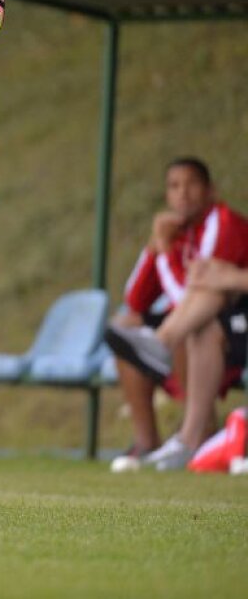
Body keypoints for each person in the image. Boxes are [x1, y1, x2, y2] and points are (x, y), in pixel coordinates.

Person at [105, 157, 248, 471]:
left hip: (233, 321)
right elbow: (136, 299)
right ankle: (147, 441)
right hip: (210, 319)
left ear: (210, 190)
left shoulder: (222, 223)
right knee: (125, 325)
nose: (183, 193)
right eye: (174, 186)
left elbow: (195, 295)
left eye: (192, 184)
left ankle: (195, 430)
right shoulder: (184, 233)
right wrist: (156, 247)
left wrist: (167, 252)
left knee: (196, 324)